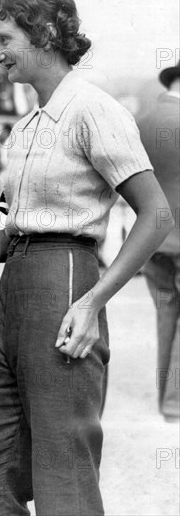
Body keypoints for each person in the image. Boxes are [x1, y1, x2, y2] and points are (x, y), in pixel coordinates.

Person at [0, 0, 174, 516]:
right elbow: (12, 236)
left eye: (5, 37)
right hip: (15, 290)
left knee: (62, 469)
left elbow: (156, 215)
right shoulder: (25, 127)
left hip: (65, 279)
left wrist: (92, 301)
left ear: (46, 33)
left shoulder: (94, 110)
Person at [138, 60, 180, 422]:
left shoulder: (143, 122)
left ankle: (166, 401)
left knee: (166, 315)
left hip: (153, 238)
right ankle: (175, 403)